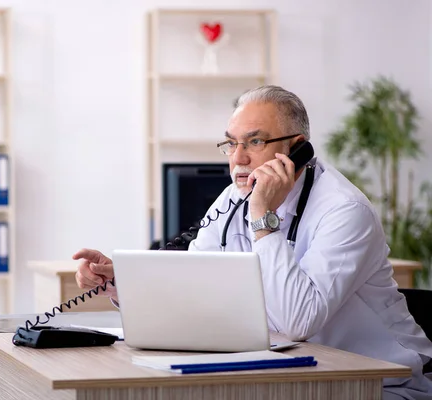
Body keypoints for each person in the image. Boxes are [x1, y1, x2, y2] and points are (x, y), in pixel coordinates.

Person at [72, 85, 432, 399]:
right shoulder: (233, 197)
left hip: (382, 383)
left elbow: (297, 322)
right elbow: (194, 281)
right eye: (231, 144)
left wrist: (262, 216)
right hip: (289, 376)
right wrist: (123, 283)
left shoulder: (344, 211)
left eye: (255, 142)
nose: (238, 158)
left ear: (298, 150)